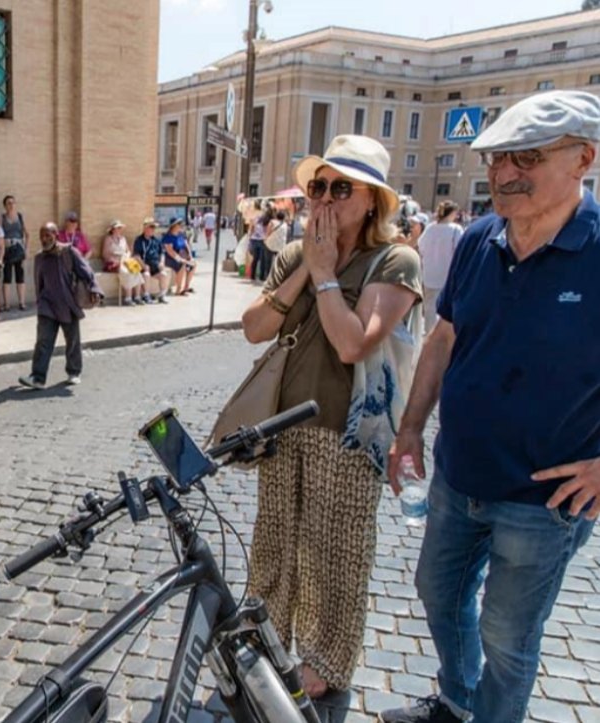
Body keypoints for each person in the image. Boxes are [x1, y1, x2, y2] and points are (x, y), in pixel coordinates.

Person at [379, 91, 600, 723]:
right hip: (458, 476)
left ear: (582, 157)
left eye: (527, 158)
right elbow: (443, 338)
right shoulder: (479, 240)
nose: (505, 174)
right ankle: (456, 699)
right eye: (499, 158)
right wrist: (413, 427)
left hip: (544, 503)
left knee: (509, 638)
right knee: (438, 592)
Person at [240, 134, 422, 700]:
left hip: (345, 431)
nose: (325, 197)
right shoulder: (296, 253)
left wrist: (325, 277)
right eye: (318, 185)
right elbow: (253, 328)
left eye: (341, 187)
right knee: (273, 540)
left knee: (335, 551)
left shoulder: (393, 261)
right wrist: (308, 265)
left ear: (373, 200)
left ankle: (326, 661)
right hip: (282, 423)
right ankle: (265, 641)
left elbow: (352, 345)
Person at [19, 222, 102, 389]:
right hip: (47, 305)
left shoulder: (69, 251)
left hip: (68, 304)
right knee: (43, 341)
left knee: (72, 340)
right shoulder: (39, 257)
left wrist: (95, 288)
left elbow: (86, 270)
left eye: (48, 235)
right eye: (42, 236)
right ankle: (38, 378)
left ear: (56, 235)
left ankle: (74, 372)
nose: (44, 239)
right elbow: (38, 282)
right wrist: (40, 301)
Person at [415, 201, 463, 332]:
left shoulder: (430, 228)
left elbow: (421, 246)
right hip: (447, 274)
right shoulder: (455, 229)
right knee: (447, 307)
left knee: (430, 306)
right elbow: (460, 251)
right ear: (452, 213)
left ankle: (429, 332)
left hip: (429, 273)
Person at [102, 220, 148, 305]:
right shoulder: (108, 239)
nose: (119, 229)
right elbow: (105, 254)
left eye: (120, 228)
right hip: (113, 263)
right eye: (118, 228)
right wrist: (115, 259)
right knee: (126, 273)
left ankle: (137, 297)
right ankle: (128, 298)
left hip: (125, 261)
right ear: (113, 229)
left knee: (136, 271)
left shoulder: (123, 238)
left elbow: (128, 251)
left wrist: (127, 256)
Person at [0, 195, 28, 311]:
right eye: (8, 203)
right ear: (5, 206)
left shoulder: (20, 217)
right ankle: (7, 304)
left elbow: (27, 233)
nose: (11, 205)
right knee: (7, 276)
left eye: (13, 203)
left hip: (19, 248)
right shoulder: (2, 218)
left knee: (20, 276)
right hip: (7, 249)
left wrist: (26, 249)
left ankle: (22, 302)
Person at [132, 218, 170, 303]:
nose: (153, 229)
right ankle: (146, 295)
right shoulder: (139, 240)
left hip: (156, 266)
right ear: (145, 228)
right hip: (144, 266)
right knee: (146, 274)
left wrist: (161, 263)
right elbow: (136, 256)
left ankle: (162, 295)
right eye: (151, 227)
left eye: (154, 227)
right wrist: (144, 266)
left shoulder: (156, 240)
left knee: (164, 274)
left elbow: (162, 253)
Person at [162, 217, 196, 295]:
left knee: (193, 264)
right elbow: (170, 251)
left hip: (182, 255)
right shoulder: (168, 237)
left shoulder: (181, 234)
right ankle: (179, 289)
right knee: (182, 265)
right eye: (179, 224)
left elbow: (186, 245)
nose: (181, 225)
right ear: (174, 226)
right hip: (171, 258)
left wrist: (190, 256)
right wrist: (180, 259)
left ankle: (186, 287)